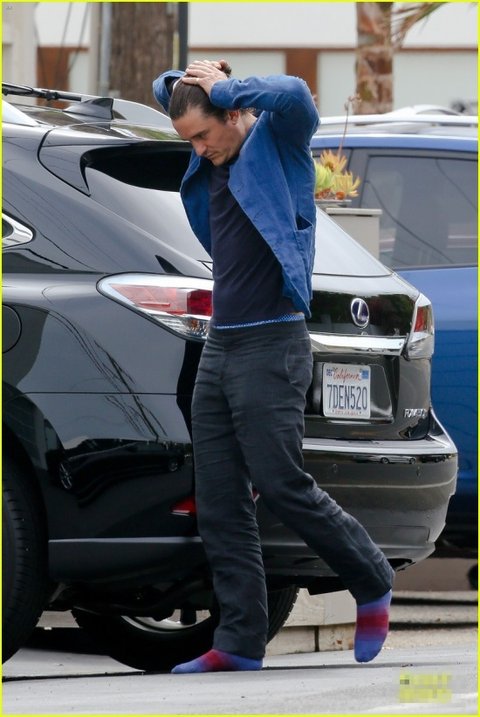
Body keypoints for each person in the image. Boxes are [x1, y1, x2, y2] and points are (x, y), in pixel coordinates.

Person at [152, 60, 394, 674]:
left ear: (235, 113)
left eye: (203, 136)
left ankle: (371, 578)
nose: (199, 150)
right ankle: (239, 641)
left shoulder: (277, 142)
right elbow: (164, 88)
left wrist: (227, 86)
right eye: (189, 141)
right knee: (220, 499)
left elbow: (294, 94)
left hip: (273, 342)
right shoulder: (211, 147)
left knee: (281, 481)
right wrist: (196, 77)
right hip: (222, 345)